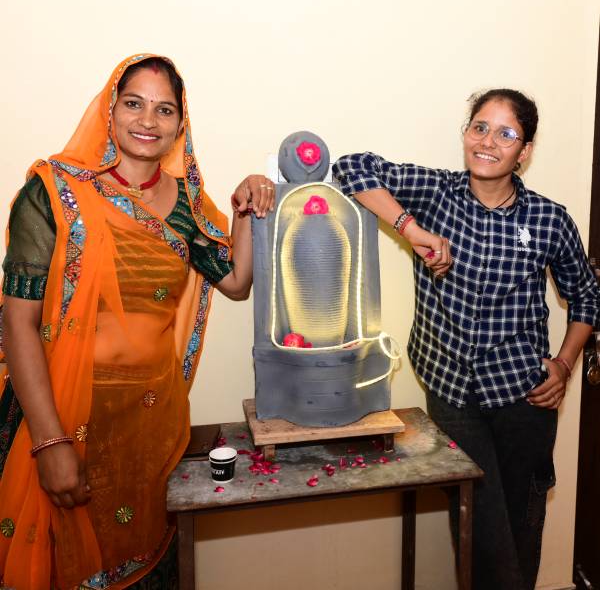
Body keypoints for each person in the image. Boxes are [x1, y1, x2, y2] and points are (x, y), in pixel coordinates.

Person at [0, 54, 274, 589]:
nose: (148, 120)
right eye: (134, 104)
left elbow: (237, 282)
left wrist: (245, 204)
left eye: (164, 109)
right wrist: (50, 445)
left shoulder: (185, 204)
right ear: (110, 110)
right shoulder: (54, 192)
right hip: (58, 421)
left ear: (179, 123)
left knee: (144, 567)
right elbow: (18, 323)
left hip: (149, 428)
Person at [332, 89, 599, 590]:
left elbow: (586, 297)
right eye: (480, 127)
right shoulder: (436, 192)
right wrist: (412, 230)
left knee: (522, 521)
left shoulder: (549, 219)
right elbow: (351, 167)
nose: (488, 141)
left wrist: (563, 365)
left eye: (506, 133)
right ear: (466, 134)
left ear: (525, 151)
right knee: (477, 526)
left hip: (523, 396)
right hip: (451, 394)